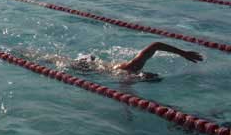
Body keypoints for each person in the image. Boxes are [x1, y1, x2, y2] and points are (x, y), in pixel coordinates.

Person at [71, 42, 203, 78]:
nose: (150, 74)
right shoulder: (133, 67)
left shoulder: (132, 71)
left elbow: (155, 46)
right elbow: (156, 45)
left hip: (95, 65)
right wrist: (182, 53)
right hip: (87, 65)